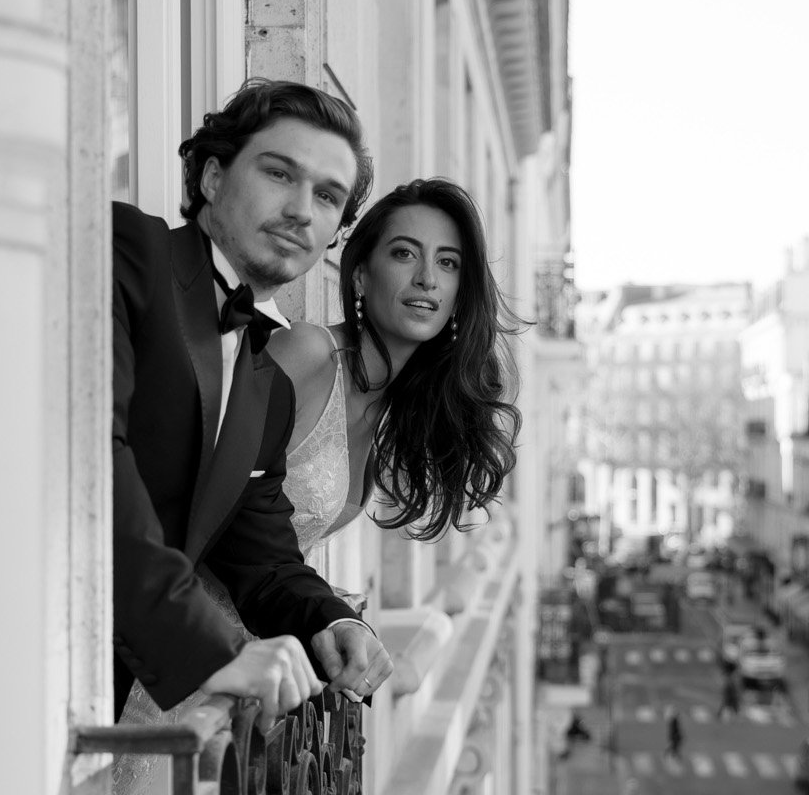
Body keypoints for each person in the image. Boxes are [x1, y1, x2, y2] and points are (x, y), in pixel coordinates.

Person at [113, 78, 393, 728]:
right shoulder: (133, 252)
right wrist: (215, 650)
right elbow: (94, 465)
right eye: (278, 173)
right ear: (212, 177)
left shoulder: (265, 378)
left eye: (327, 197)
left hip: (102, 694)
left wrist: (332, 621)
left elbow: (260, 557)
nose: (301, 210)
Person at [266, 176, 522, 549]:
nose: (427, 279)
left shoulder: (389, 405)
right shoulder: (307, 354)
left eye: (447, 262)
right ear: (360, 276)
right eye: (404, 253)